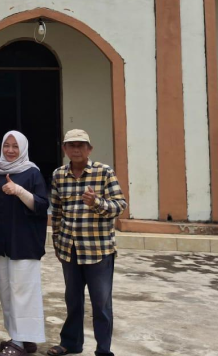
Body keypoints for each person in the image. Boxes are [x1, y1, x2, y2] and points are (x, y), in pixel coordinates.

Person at [47, 130, 127, 356]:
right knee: (73, 301)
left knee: (101, 305)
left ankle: (103, 350)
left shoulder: (104, 173)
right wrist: (57, 243)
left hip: (98, 251)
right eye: (71, 145)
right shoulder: (59, 175)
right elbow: (57, 211)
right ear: (64, 149)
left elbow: (120, 205)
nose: (76, 149)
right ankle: (71, 343)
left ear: (89, 149)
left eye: (81, 145)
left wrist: (97, 203)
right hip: (69, 251)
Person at [0, 131, 49, 356]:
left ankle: (20, 342)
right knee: (6, 291)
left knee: (23, 291)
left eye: (15, 146)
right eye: (6, 145)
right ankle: (21, 338)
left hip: (24, 243)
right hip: (1, 243)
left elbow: (41, 206)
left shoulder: (31, 173)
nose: (10, 150)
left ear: (23, 148)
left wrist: (19, 191)